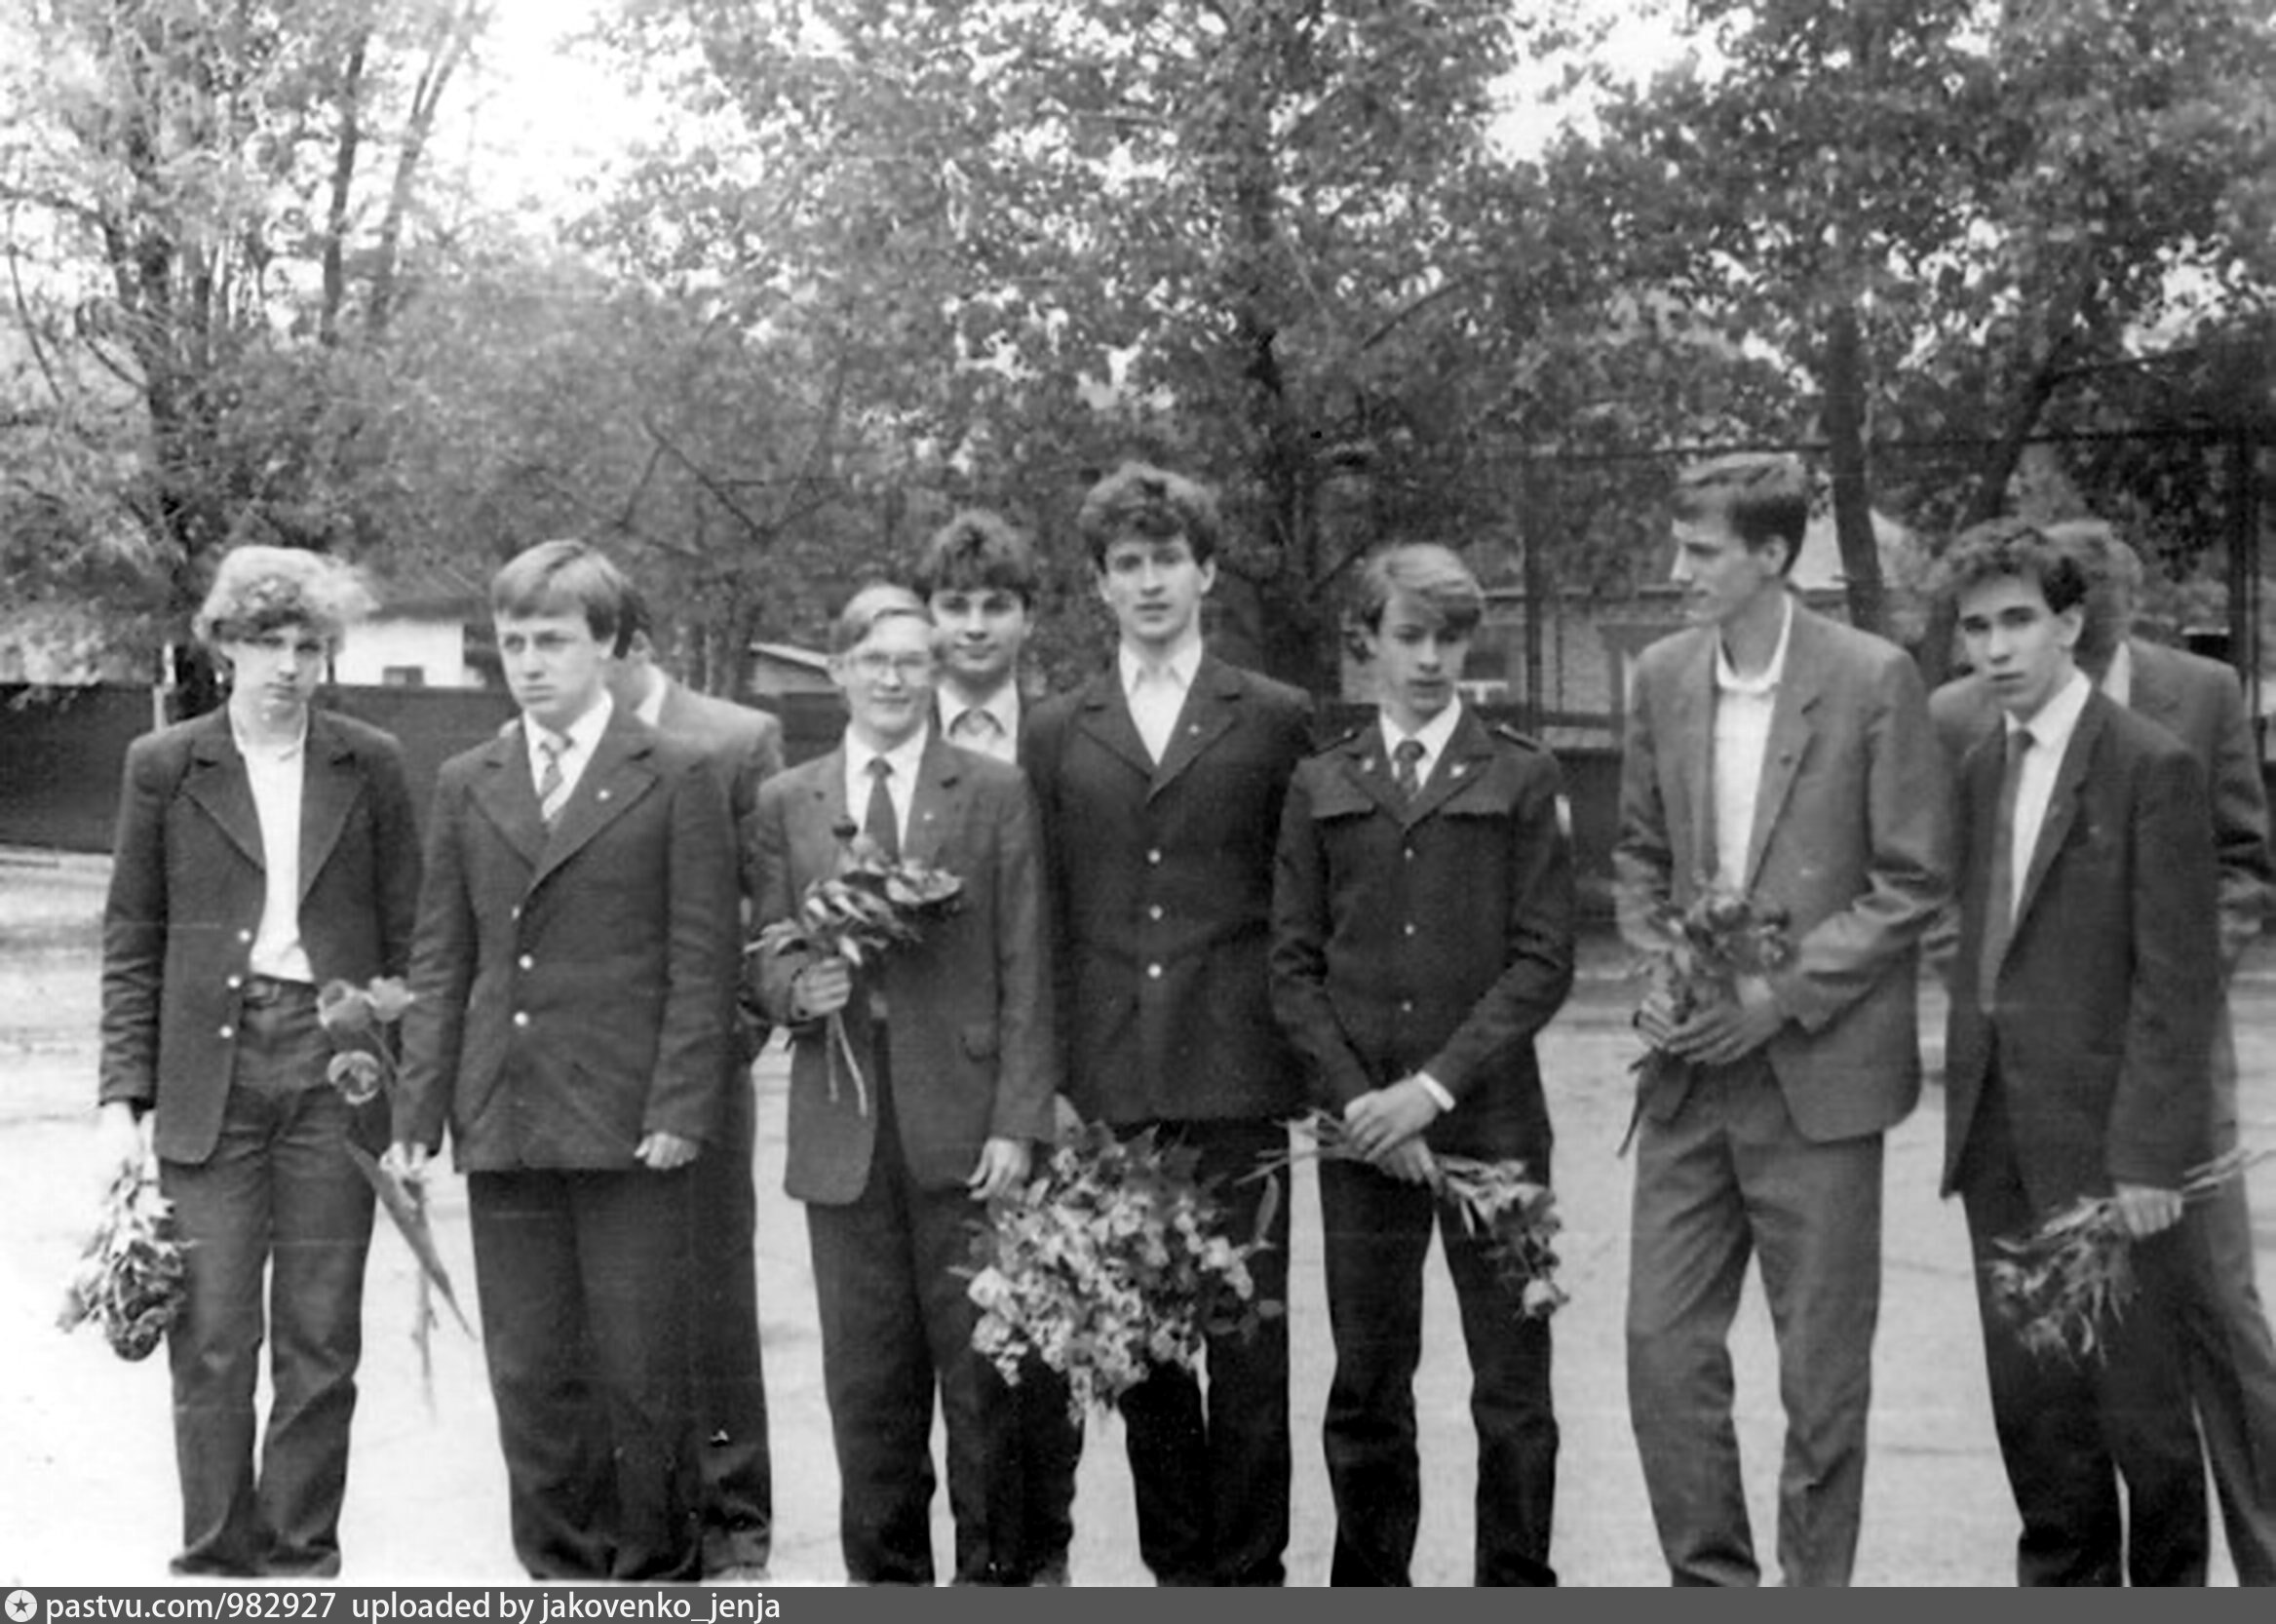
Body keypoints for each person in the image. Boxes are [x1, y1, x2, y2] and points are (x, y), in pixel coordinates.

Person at [1613, 451, 1951, 1586]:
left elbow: (1911, 880)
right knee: (1661, 1352)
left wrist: (1781, 999)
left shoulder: (1872, 677)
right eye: (1678, 547)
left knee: (1821, 1380)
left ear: (1771, 554)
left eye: (1700, 551)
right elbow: (1638, 854)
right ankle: (1711, 1586)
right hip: (1687, 1080)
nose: (1677, 571)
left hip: (1819, 1078)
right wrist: (1661, 967)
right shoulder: (1660, 674)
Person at [390, 539, 740, 1583]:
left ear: (610, 646)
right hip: (506, 1115)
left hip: (631, 1124)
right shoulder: (468, 780)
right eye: (513, 643)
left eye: (554, 640)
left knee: (642, 1372)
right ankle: (558, 1576)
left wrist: (679, 1106)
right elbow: (442, 957)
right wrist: (416, 1114)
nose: (531, 663)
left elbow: (702, 960)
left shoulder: (677, 772)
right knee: (532, 1373)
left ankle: (658, 1579)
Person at [96, 545, 423, 1578]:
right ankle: (211, 1561)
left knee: (321, 1335)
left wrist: (408, 1088)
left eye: (308, 646)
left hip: (337, 1075)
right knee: (211, 1333)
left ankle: (299, 1562)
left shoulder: (369, 762)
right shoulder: (165, 765)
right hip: (212, 1076)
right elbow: (132, 938)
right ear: (224, 646)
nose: (288, 665)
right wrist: (121, 1099)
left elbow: (411, 936)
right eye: (266, 642)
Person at [1025, 461, 1315, 1587]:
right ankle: (1180, 1575)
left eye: (1167, 560)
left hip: (1236, 1071)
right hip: (1111, 1083)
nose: (1149, 582)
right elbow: (1045, 914)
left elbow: (1298, 899)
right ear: (1100, 583)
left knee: (1247, 1343)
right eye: (1127, 563)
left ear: (1206, 571)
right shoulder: (1059, 728)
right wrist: (1054, 1074)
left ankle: (1250, 1574)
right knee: (1141, 1348)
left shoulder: (1274, 717)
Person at [1269, 542, 1576, 1585]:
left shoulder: (1521, 774)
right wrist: (1363, 1103)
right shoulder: (1321, 781)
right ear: (1366, 642)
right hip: (1360, 1137)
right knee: (1366, 1383)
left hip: (1492, 1126)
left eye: (1450, 638)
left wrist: (1430, 1092)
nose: (1433, 659)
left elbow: (1542, 961)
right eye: (1409, 636)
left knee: (1512, 1387)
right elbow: (1292, 968)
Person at [746, 582, 1056, 1586]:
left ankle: (991, 1583)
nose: (892, 679)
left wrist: (1016, 1120)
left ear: (936, 672)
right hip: (843, 1132)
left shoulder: (992, 791)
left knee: (983, 1383)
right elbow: (763, 945)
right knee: (868, 1391)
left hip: (965, 1129)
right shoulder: (790, 800)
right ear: (838, 671)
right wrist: (798, 986)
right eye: (873, 661)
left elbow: (1026, 962)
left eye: (912, 661)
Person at [1935, 518, 2218, 1584]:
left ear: (2067, 623)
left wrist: (2148, 1158)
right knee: (2036, 1416)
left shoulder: (2151, 766)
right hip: (1997, 1137)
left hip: (2109, 1153)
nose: (1995, 648)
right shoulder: (1979, 765)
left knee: (2142, 1415)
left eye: (2017, 621)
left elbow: (2175, 984)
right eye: (1975, 629)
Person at [912, 509, 1083, 1585]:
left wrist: (1052, 1083)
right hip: (928, 1089)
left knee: (1041, 1339)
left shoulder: (1063, 737)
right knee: (937, 1348)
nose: (973, 627)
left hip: (1039, 1082)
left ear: (1028, 618)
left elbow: (1073, 917)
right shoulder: (896, 726)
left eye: (995, 606)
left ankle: (1041, 1556)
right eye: (954, 605)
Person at [606, 584, 785, 1583]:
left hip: (705, 1071)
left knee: (712, 1294)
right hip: (591, 1082)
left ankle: (733, 1525)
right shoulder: (541, 741)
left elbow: (770, 909)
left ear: (633, 643)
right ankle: (645, 1519)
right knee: (616, 1306)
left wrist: (730, 1039)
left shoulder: (733, 740)